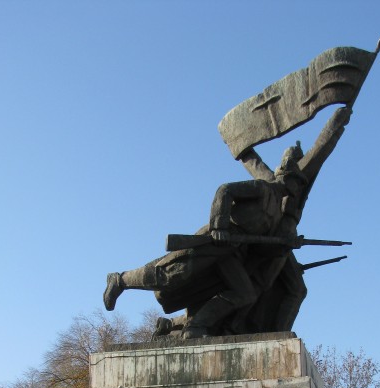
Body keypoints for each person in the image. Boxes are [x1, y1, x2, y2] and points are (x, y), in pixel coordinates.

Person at [104, 107, 352, 339]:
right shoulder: (263, 188)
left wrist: (286, 244)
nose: (299, 188)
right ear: (287, 178)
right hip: (215, 241)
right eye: (297, 182)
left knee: (244, 293)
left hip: (233, 252)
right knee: (170, 275)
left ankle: (196, 325)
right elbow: (225, 191)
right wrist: (219, 226)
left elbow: (263, 247)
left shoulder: (277, 212)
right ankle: (120, 280)